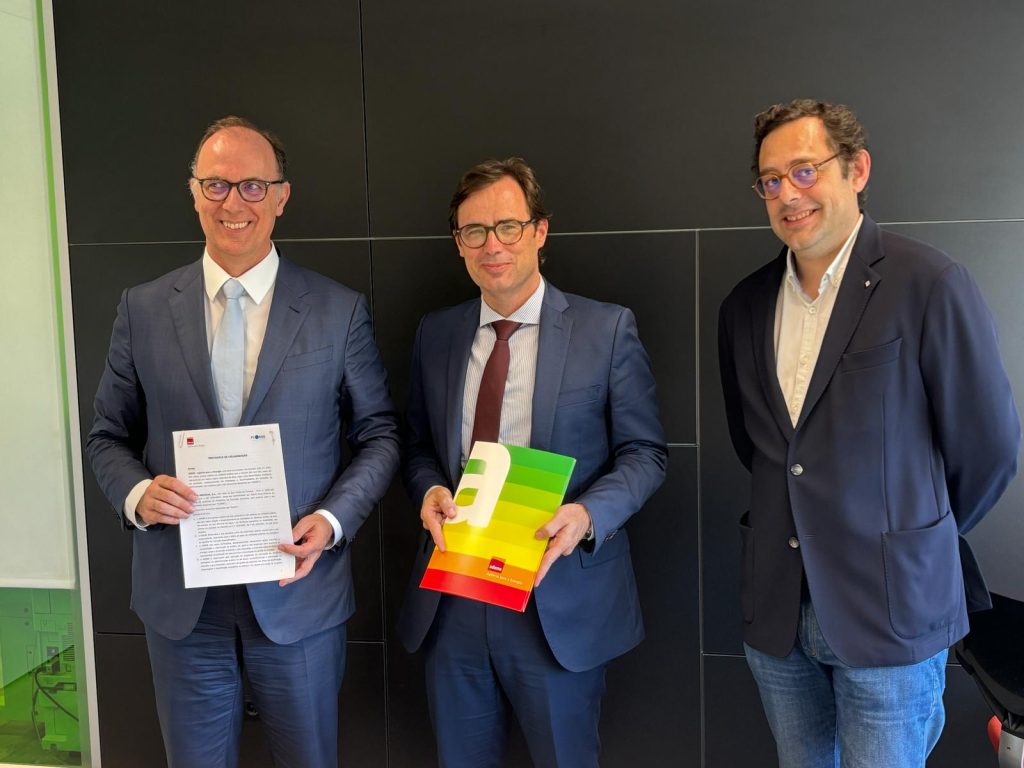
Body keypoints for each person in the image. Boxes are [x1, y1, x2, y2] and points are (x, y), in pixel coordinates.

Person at [86, 116, 400, 768]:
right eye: (218, 184)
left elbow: (379, 436)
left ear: (281, 196)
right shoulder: (142, 309)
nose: (235, 202)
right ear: (194, 192)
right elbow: (107, 436)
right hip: (182, 603)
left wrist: (332, 520)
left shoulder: (337, 310)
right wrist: (138, 494)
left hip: (297, 593)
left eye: (253, 186)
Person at [718, 98, 1020, 767]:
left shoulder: (929, 283)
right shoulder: (743, 306)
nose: (787, 194)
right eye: (770, 180)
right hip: (778, 612)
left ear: (856, 170)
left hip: (892, 612)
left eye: (804, 171)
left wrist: (909, 534)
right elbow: (759, 448)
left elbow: (989, 448)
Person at [397, 157, 667, 767]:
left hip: (556, 595)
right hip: (453, 596)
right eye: (474, 231)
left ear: (540, 231)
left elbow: (645, 453)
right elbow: (418, 447)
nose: (492, 245)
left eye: (508, 227)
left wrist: (588, 515)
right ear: (458, 244)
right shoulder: (436, 334)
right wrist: (429, 489)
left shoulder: (605, 330)